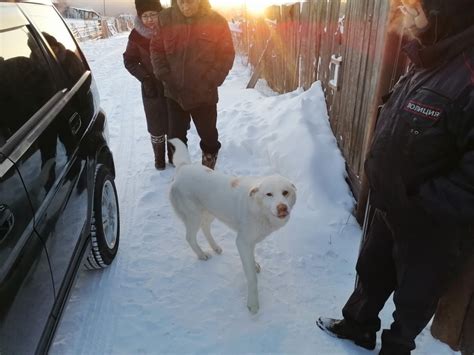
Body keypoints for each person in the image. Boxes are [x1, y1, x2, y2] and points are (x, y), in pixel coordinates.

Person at [317, 0, 474, 354]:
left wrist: (422, 201)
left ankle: (396, 347)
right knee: (371, 271)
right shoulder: (427, 56)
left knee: (414, 297)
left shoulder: (467, 70)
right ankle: (358, 326)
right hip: (391, 203)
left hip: (430, 222)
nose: (405, 11)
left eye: (413, 5)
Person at [150, 0, 235, 169]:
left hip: (204, 93)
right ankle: (183, 172)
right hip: (175, 93)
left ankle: (207, 169)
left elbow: (226, 54)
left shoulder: (216, 21)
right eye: (182, 2)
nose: (186, 7)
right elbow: (156, 48)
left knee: (209, 136)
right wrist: (165, 75)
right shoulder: (165, 19)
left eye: (190, 2)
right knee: (175, 138)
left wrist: (212, 79)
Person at [123, 0, 170, 170]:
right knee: (156, 123)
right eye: (145, 16)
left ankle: (174, 157)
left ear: (160, 13)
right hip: (151, 87)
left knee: (174, 123)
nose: (149, 19)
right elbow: (129, 60)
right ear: (140, 17)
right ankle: (159, 158)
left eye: (153, 14)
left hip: (172, 85)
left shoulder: (170, 30)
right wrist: (145, 78)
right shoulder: (136, 36)